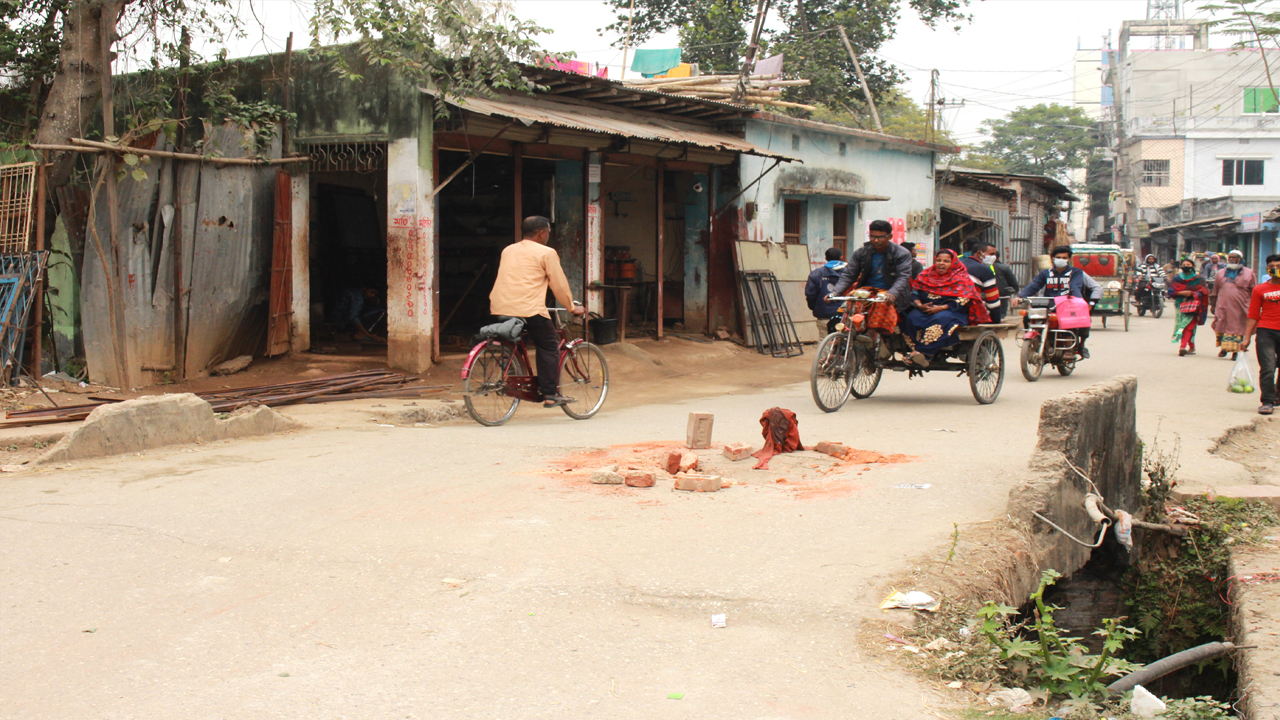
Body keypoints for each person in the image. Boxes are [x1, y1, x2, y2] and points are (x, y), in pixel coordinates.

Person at [489, 216, 586, 408]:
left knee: (516, 340)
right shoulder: (546, 253)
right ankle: (550, 394)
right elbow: (558, 284)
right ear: (542, 233)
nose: (548, 236)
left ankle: (512, 371)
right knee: (549, 345)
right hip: (529, 309)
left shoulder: (508, 250)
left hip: (501, 306)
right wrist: (571, 307)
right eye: (548, 232)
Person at [901, 249, 991, 367]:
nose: (941, 263)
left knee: (940, 319)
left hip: (952, 310)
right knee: (912, 318)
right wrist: (919, 305)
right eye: (939, 260)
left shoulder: (962, 277)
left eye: (946, 261)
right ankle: (918, 351)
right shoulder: (925, 274)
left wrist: (942, 308)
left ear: (953, 262)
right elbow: (914, 292)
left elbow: (965, 298)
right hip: (926, 309)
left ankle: (922, 353)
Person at [829, 219, 914, 338]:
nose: (876, 240)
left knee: (882, 303)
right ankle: (841, 342)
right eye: (872, 236)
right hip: (866, 290)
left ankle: (871, 335)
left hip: (890, 292)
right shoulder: (861, 253)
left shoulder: (901, 253)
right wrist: (835, 292)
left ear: (889, 237)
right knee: (849, 306)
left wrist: (892, 294)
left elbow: (903, 277)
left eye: (880, 237)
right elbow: (849, 275)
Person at [1017, 245, 1093, 359]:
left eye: (1064, 257)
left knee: (1072, 323)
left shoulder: (1076, 272)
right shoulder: (1045, 273)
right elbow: (1033, 286)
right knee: (1028, 317)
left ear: (1069, 259)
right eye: (1058, 257)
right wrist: (1020, 297)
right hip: (1047, 304)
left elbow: (1075, 286)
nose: (1061, 260)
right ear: (1052, 258)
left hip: (1067, 305)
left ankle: (1071, 349)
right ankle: (1034, 341)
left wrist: (1078, 300)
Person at [1240, 254, 1280, 415]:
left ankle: (1278, 393)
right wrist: (1247, 337)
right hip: (1266, 331)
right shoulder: (1260, 289)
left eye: (1278, 265)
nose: (1275, 269)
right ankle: (1267, 401)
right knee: (1268, 367)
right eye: (1272, 266)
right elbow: (1253, 315)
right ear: (1267, 269)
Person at [1210, 249, 1257, 360]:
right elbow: (1215, 290)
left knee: (1239, 328)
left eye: (1234, 257)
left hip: (1241, 306)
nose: (1231, 259)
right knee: (1221, 326)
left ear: (1240, 259)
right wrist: (1213, 305)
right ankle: (1224, 348)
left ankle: (1236, 351)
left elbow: (1254, 291)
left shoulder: (1249, 273)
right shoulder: (1221, 272)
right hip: (1223, 305)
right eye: (1230, 257)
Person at [1169, 257, 1209, 357]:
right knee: (1182, 324)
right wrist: (1181, 293)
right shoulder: (1176, 279)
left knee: (1187, 326)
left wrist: (1192, 293)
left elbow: (1204, 291)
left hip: (1194, 306)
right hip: (1180, 305)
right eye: (1184, 265)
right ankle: (1192, 346)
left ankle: (1182, 347)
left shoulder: (1199, 279)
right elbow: (1171, 292)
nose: (1186, 267)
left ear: (1193, 267)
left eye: (1188, 265)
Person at [805, 247, 847, 334]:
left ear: (826, 258)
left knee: (825, 342)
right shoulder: (851, 273)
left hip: (824, 315)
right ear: (841, 257)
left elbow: (810, 294)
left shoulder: (816, 273)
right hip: (846, 316)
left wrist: (815, 308)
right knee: (846, 342)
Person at [960, 240, 1004, 322]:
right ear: (979, 253)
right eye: (991, 254)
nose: (994, 257)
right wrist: (996, 320)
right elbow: (993, 301)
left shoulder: (958, 264)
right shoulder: (984, 269)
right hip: (970, 312)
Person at [991, 249, 1020, 317]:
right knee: (1001, 314)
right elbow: (1012, 280)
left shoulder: (982, 267)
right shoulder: (1004, 267)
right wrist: (1016, 289)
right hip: (1002, 295)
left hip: (988, 295)